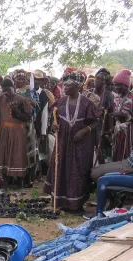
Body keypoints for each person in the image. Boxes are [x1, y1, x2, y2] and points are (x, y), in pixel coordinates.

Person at [43, 70, 101, 211]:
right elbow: (54, 120)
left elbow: (95, 122)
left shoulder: (87, 103)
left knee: (78, 169)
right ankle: (61, 201)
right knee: (61, 167)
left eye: (68, 86)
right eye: (64, 86)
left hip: (80, 143)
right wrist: (55, 125)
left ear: (78, 87)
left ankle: (76, 203)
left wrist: (83, 131)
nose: (65, 88)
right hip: (63, 141)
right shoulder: (61, 102)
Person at [0, 78, 32, 187]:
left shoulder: (20, 99)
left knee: (17, 154)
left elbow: (28, 117)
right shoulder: (0, 99)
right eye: (4, 90)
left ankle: (20, 182)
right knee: (4, 154)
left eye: (9, 89)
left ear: (13, 87)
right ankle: (5, 180)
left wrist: (17, 112)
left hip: (17, 131)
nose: (7, 92)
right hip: (4, 130)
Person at [111, 69, 133, 162]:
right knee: (118, 159)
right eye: (115, 85)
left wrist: (125, 115)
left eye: (119, 85)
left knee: (129, 158)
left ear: (126, 85)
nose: (116, 87)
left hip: (132, 133)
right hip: (120, 133)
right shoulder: (117, 97)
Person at [13, 69, 39, 186]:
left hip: (27, 125)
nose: (20, 81)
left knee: (29, 152)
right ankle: (17, 179)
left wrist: (26, 103)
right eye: (18, 78)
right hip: (14, 126)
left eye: (23, 79)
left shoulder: (30, 90)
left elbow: (36, 105)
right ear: (14, 79)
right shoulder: (12, 91)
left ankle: (29, 179)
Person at [85, 68, 116, 164]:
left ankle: (100, 173)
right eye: (97, 78)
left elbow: (110, 114)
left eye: (101, 79)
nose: (97, 80)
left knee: (100, 151)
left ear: (105, 82)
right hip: (89, 126)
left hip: (101, 127)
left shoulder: (108, 95)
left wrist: (109, 131)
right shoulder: (89, 93)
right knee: (88, 150)